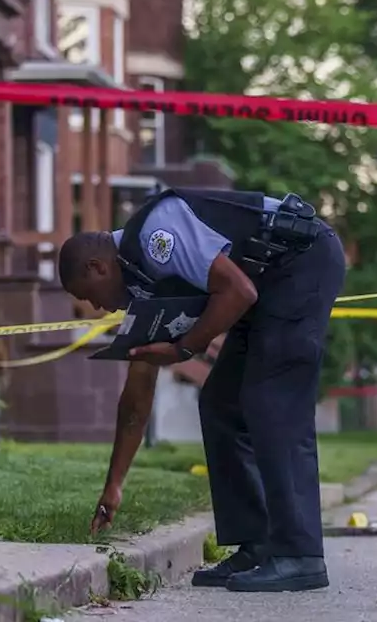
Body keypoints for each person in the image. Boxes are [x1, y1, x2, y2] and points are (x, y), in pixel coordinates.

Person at [57, 188, 345, 592]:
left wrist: (183, 347)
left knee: (272, 401)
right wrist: (114, 485)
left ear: (96, 267)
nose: (99, 309)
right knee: (220, 404)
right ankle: (258, 544)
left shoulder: (157, 237)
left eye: (89, 296)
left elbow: (239, 292)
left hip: (301, 263)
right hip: (267, 281)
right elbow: (137, 396)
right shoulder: (142, 283)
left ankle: (300, 555)